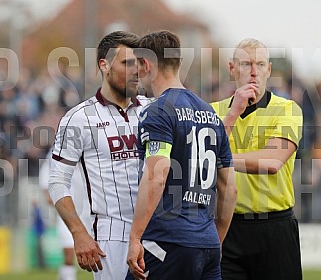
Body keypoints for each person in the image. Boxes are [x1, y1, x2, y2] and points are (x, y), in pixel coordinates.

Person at [126, 30, 237, 280]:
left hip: (168, 242)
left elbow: (157, 175)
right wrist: (214, 240)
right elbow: (229, 189)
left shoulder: (158, 111)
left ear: (146, 64)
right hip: (207, 244)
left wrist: (135, 238)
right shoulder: (211, 114)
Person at [48, 31, 152, 280]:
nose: (136, 70)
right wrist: (78, 233)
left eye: (138, 63)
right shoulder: (79, 118)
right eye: (127, 63)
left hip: (157, 233)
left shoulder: (154, 109)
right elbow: (57, 181)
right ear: (104, 65)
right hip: (111, 236)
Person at [211, 38, 303, 280]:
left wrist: (222, 158)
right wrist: (233, 114)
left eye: (260, 65)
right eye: (246, 64)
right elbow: (200, 158)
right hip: (226, 228)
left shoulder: (288, 109)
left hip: (275, 228)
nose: (254, 72)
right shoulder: (212, 111)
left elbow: (272, 162)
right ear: (232, 69)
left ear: (269, 70)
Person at [39, 150, 91, 280]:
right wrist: (48, 193)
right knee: (68, 254)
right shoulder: (56, 150)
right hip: (67, 210)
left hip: (91, 211)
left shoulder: (91, 146)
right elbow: (46, 174)